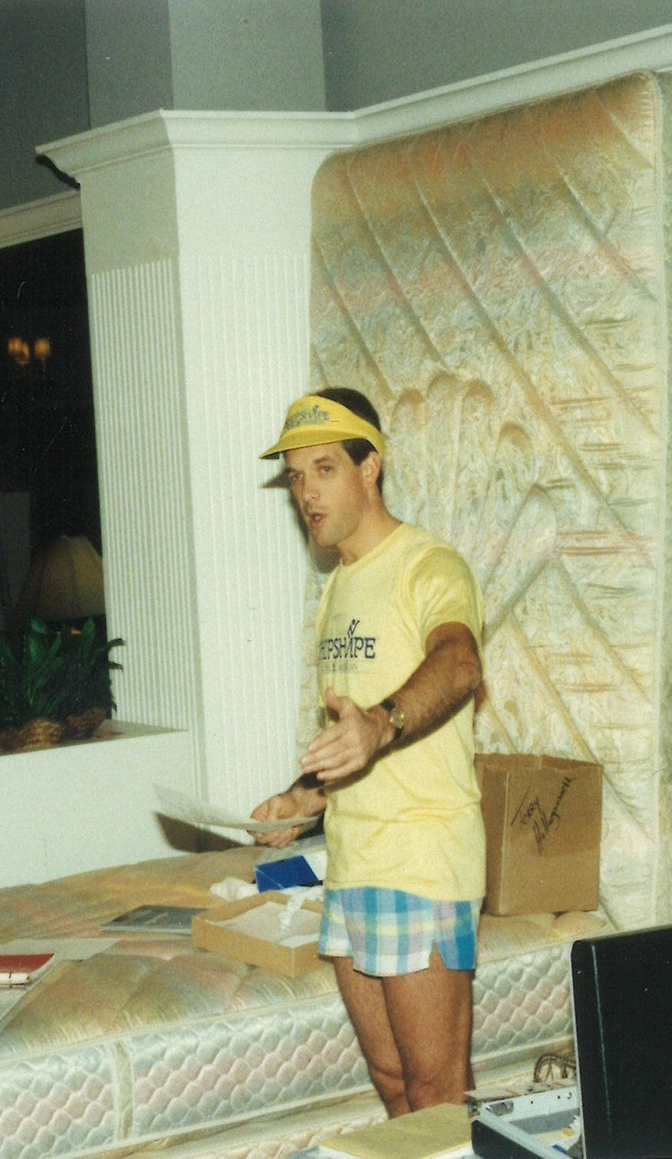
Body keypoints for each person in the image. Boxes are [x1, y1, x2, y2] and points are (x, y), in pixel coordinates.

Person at [251, 387, 485, 1117]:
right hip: (352, 863)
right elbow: (351, 738)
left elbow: (459, 664)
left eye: (323, 468)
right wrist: (304, 794)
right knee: (390, 1084)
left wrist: (382, 723)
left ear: (370, 465)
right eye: (295, 476)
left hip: (422, 858)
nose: (306, 493)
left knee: (436, 1091)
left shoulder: (429, 565)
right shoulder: (336, 587)